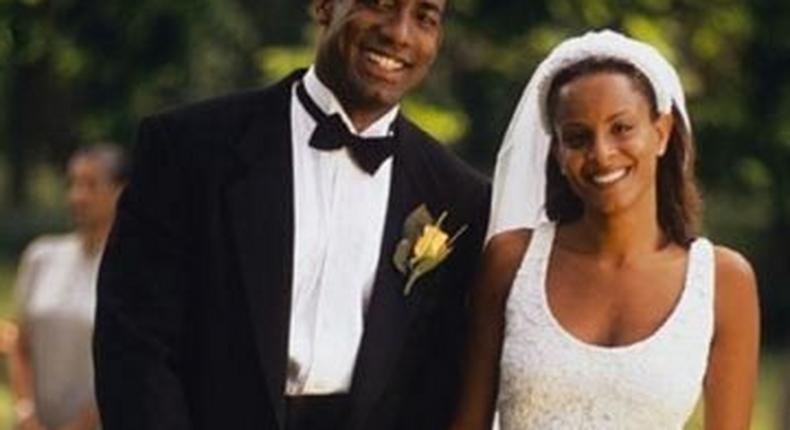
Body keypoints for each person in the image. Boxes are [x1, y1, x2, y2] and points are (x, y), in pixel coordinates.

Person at [93, 1, 490, 429]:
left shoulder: (458, 199)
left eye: (425, 18)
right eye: (379, 5)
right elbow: (134, 343)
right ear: (323, 6)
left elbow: (443, 377)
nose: (400, 33)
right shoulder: (189, 149)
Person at [450, 30, 760, 429]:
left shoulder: (724, 280)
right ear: (558, 153)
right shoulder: (510, 261)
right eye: (577, 138)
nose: (601, 153)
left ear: (661, 133)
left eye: (622, 128)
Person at [10, 144, 127, 430]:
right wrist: (26, 412)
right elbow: (20, 343)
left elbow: (130, 364)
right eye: (72, 183)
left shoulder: (130, 271)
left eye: (90, 185)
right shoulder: (42, 256)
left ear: (120, 192)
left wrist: (84, 423)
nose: (77, 196)